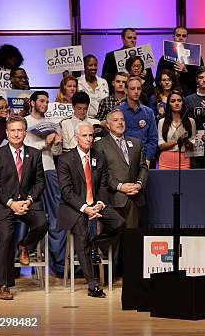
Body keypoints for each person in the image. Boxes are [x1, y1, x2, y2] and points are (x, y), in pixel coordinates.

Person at [57, 122, 125, 298]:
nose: (88, 139)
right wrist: (85, 208)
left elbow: (103, 185)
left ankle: (96, 244)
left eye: (91, 136)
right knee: (82, 233)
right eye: (85, 136)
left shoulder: (98, 157)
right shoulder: (65, 159)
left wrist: (100, 204)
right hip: (75, 207)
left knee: (119, 222)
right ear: (76, 137)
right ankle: (92, 283)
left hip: (96, 204)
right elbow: (66, 191)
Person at [0, 116, 48, 300]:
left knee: (42, 223)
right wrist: (11, 203)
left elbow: (39, 182)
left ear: (25, 132)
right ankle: (3, 286)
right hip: (3, 205)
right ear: (7, 132)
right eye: (12, 130)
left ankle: (25, 246)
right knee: (5, 238)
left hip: (27, 202)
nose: (16, 134)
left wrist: (28, 200)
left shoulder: (34, 153)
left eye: (19, 130)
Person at [92, 109, 148, 228]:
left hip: (135, 197)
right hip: (113, 199)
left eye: (122, 119)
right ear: (108, 125)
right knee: (115, 241)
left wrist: (139, 184)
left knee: (132, 239)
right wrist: (120, 186)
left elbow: (143, 167)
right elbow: (100, 174)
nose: (120, 123)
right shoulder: (99, 145)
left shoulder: (136, 142)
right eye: (115, 120)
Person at [117, 76, 158, 166]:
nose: (136, 92)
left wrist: (147, 158)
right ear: (126, 90)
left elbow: (153, 139)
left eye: (138, 88)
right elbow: (115, 138)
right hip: (123, 160)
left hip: (144, 158)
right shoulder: (118, 112)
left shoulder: (148, 112)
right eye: (132, 89)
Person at [156, 26, 203, 96]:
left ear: (187, 38)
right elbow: (157, 79)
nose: (181, 38)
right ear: (173, 37)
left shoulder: (196, 57)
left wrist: (185, 71)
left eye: (184, 36)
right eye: (178, 35)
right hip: (168, 95)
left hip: (189, 94)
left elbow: (200, 79)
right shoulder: (164, 58)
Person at [102, 28, 151, 94]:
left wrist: (145, 75)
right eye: (129, 38)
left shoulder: (143, 55)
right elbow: (106, 78)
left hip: (139, 94)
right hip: (118, 95)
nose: (132, 40)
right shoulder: (111, 56)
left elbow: (151, 79)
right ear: (123, 39)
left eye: (134, 38)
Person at [158, 90, 197, 169]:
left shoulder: (191, 121)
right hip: (166, 161)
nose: (176, 103)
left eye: (179, 100)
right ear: (169, 104)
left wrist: (187, 142)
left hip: (184, 160)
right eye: (173, 101)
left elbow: (193, 143)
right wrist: (177, 141)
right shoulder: (162, 122)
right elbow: (161, 146)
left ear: (183, 102)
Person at [24, 91, 63, 171]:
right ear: (33, 103)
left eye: (47, 102)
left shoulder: (52, 123)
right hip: (31, 168)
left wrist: (56, 144)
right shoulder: (24, 121)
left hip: (49, 167)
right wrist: (45, 143)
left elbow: (57, 153)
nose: (45, 104)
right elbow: (24, 148)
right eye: (42, 101)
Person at [78, 55, 109, 120]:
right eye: (90, 65)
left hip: (103, 119)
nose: (93, 67)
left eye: (95, 65)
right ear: (84, 67)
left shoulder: (103, 82)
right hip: (85, 119)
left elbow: (107, 102)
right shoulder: (78, 82)